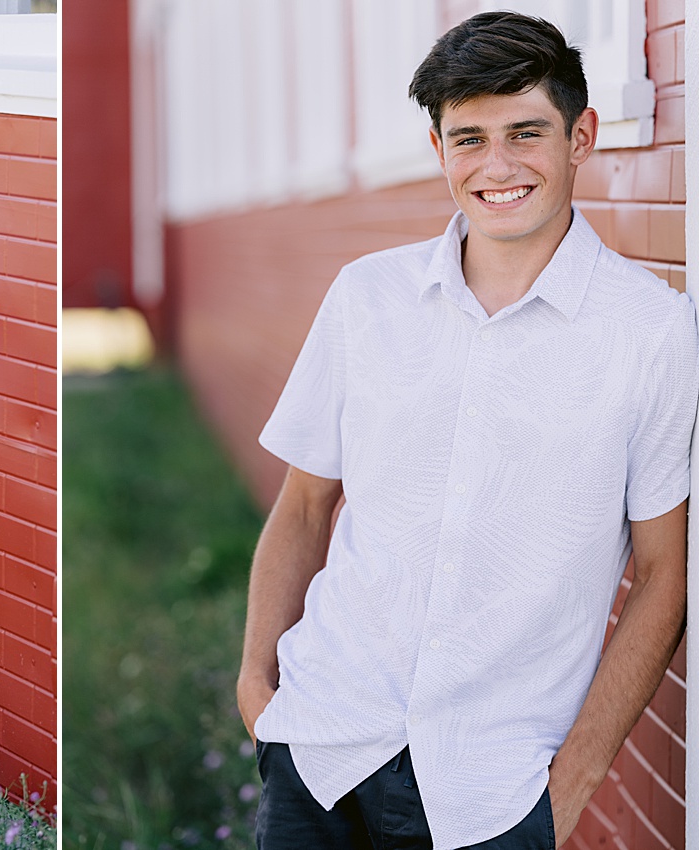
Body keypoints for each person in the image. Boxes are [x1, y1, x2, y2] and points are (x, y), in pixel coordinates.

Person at [237, 11, 697, 850]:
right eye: (469, 138)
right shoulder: (365, 297)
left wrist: (575, 779)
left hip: (496, 793)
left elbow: (665, 575)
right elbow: (305, 507)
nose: (497, 166)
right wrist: (258, 687)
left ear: (582, 136)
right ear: (438, 147)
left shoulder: (652, 333)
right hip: (322, 748)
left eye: (527, 132)